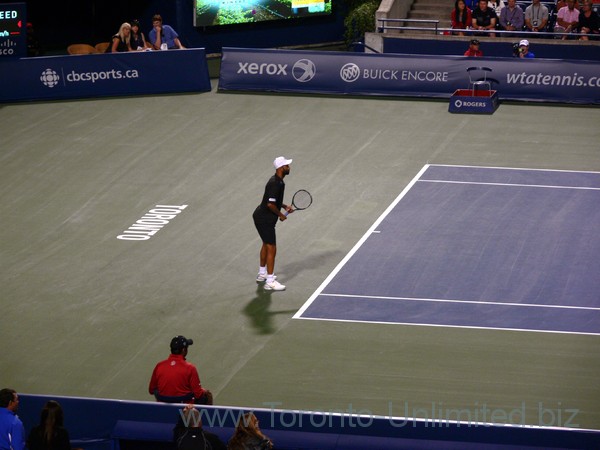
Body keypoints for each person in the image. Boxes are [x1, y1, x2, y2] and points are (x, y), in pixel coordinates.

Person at [252, 156, 294, 292]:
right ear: (281, 168)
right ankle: (270, 281)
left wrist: (284, 206)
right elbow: (270, 204)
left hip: (261, 217)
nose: (289, 167)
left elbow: (272, 201)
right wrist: (281, 215)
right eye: (287, 165)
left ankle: (262, 273)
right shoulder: (275, 183)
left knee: (266, 244)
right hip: (264, 219)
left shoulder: (278, 181)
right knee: (272, 247)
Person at [149, 336, 213, 405]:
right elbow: (198, 394)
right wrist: (204, 391)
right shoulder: (190, 368)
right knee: (206, 396)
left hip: (162, 408)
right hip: (184, 409)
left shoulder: (159, 366)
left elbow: (151, 390)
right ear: (183, 350)